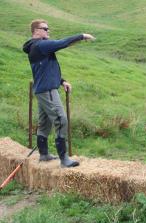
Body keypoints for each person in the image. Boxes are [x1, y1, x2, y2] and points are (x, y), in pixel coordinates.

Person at [23, 19, 95, 167]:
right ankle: (64, 160)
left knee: (44, 123)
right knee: (61, 120)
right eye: (45, 28)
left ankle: (44, 155)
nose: (48, 31)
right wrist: (81, 36)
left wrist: (62, 81)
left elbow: (46, 70)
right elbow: (62, 43)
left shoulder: (36, 47)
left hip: (42, 89)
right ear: (36, 31)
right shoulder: (40, 45)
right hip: (48, 90)